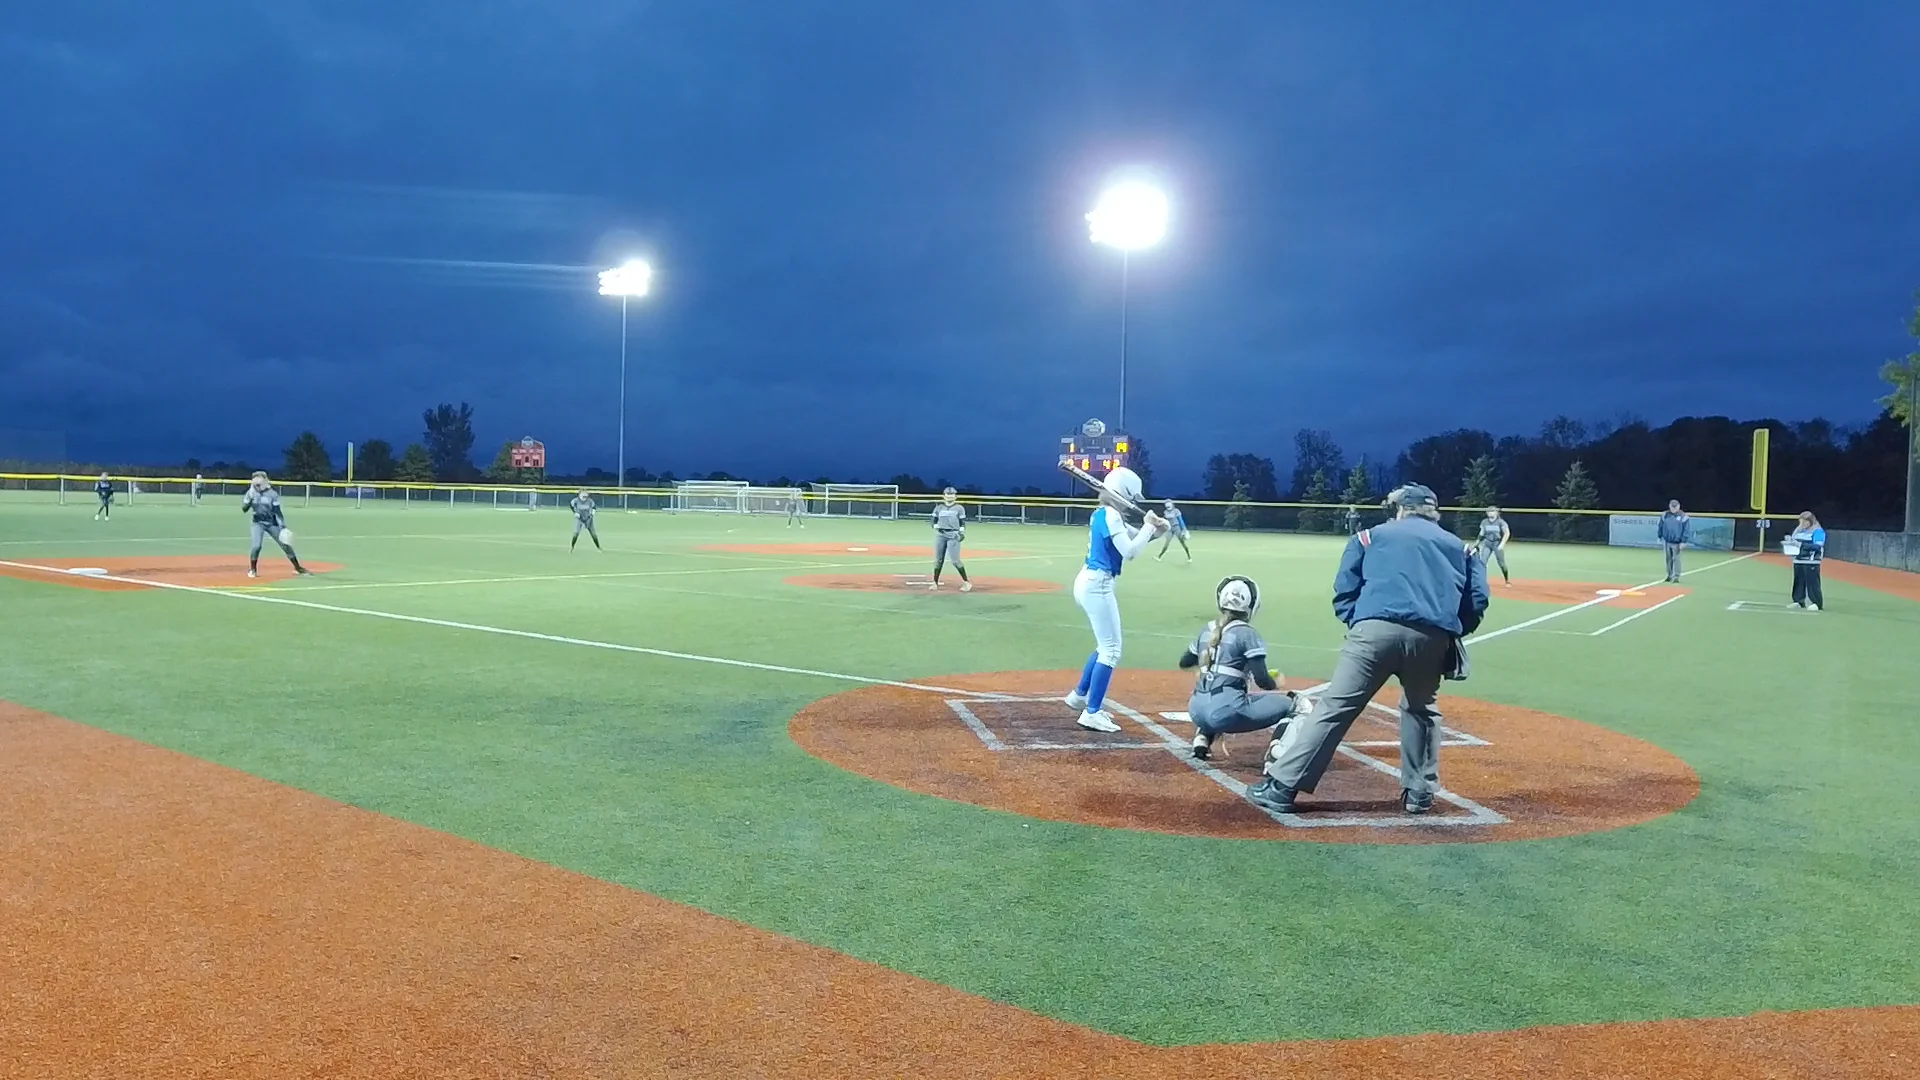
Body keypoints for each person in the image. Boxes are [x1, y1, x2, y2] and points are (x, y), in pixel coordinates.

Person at [1252, 484, 1489, 816]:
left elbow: (1345, 588)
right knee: (1422, 710)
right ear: (1433, 512)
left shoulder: (1369, 537)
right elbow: (1477, 599)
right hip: (1432, 637)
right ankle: (1418, 794)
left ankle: (1281, 788)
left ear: (1401, 509)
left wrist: (1360, 623)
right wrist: (1449, 629)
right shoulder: (1462, 549)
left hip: (1373, 631)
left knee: (1336, 706)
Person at [1062, 467, 1166, 733]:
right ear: (1125, 493)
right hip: (1097, 585)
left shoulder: (1107, 514)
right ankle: (1091, 712)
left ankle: (1079, 696)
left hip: (1091, 582)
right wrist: (1148, 527)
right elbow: (1130, 552)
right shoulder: (1111, 516)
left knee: (1104, 645)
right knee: (1111, 650)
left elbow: (1138, 537)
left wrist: (1157, 531)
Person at [1181, 575, 1315, 761]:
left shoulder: (1207, 629)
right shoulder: (1247, 634)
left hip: (1196, 710)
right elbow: (1262, 681)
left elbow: (1185, 662)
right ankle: (1277, 754)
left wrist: (1207, 669)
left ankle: (1202, 739)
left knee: (1219, 695)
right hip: (1225, 712)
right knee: (1298, 706)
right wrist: (1274, 681)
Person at [241, 472, 311, 578]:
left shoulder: (272, 494)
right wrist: (249, 500)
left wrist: (282, 525)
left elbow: (277, 511)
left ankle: (297, 568)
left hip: (271, 523)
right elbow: (244, 509)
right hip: (257, 523)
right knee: (256, 546)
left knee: (285, 544)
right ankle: (252, 570)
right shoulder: (251, 493)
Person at [929, 487, 971, 591]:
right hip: (940, 534)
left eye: (952, 494)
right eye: (948, 494)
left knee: (955, 560)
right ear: (944, 496)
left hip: (953, 534)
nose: (950, 496)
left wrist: (961, 532)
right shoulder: (939, 507)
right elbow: (933, 520)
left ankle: (966, 582)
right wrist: (935, 526)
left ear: (955, 496)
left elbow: (962, 522)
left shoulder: (959, 508)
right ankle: (935, 583)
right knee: (938, 560)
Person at [1788, 511, 1825, 612]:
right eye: (1801, 522)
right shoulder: (1800, 530)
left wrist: (1801, 545)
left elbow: (1817, 546)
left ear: (1810, 521)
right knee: (1798, 581)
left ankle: (1816, 603)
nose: (1802, 524)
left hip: (1811, 561)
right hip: (1798, 559)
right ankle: (1798, 601)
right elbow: (1793, 539)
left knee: (1813, 582)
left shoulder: (1818, 531)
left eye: (1804, 522)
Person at [1658, 500, 1693, 582]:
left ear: (1678, 506)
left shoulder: (1684, 516)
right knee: (1668, 559)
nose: (1673, 508)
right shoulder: (1665, 515)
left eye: (1675, 506)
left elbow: (1686, 530)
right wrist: (1659, 536)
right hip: (1667, 541)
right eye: (1672, 506)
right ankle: (1669, 575)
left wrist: (1684, 541)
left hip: (1677, 542)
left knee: (1676, 559)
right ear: (1669, 506)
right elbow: (1660, 526)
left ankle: (1676, 577)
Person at [1475, 507, 1512, 585]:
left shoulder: (1501, 522)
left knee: (1501, 564)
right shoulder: (1484, 522)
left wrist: (1502, 544)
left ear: (1496, 513)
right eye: (1488, 511)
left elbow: (1506, 533)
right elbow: (1481, 534)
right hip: (1487, 543)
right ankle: (1481, 581)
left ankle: (1507, 580)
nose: (1490, 513)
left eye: (1492, 511)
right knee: (1483, 562)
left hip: (1497, 543)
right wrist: (1477, 543)